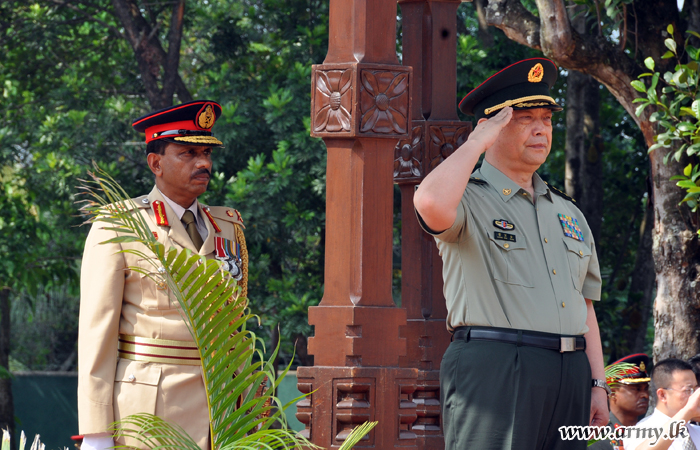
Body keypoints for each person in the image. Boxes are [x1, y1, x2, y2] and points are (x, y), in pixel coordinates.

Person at [413, 58, 607, 450]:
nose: (540, 128)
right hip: (496, 366)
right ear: (491, 127)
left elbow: (585, 306)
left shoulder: (568, 211)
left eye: (546, 118)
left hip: (570, 370)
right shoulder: (470, 197)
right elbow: (429, 201)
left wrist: (597, 384)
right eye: (523, 118)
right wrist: (474, 144)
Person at [77, 100, 248, 450]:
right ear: (156, 163)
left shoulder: (229, 226)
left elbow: (237, 326)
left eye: (206, 153)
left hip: (221, 413)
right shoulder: (119, 224)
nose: (204, 163)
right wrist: (96, 434)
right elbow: (97, 334)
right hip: (150, 415)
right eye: (188, 153)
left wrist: (248, 405)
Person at [624, 359, 700, 450]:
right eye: (688, 390)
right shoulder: (639, 431)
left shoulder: (696, 431)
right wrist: (688, 411)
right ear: (663, 395)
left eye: (696, 389)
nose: (695, 396)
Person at [590, 353, 652, 450]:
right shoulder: (598, 435)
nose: (645, 395)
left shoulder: (650, 431)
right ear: (613, 393)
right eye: (636, 389)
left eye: (646, 389)